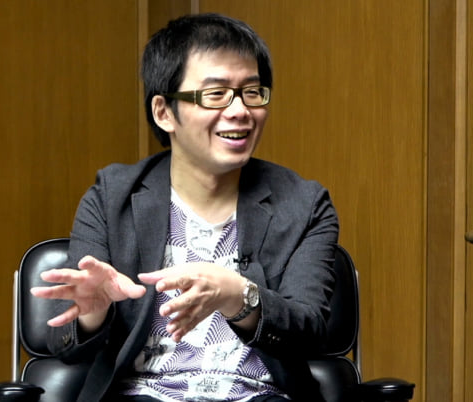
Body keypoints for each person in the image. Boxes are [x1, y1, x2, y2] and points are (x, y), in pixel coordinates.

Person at [31, 13, 339, 402]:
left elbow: (310, 333)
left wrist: (239, 296)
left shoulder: (305, 204)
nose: (240, 111)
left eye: (252, 92)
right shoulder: (112, 197)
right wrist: (94, 312)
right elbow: (64, 342)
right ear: (164, 112)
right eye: (216, 94)